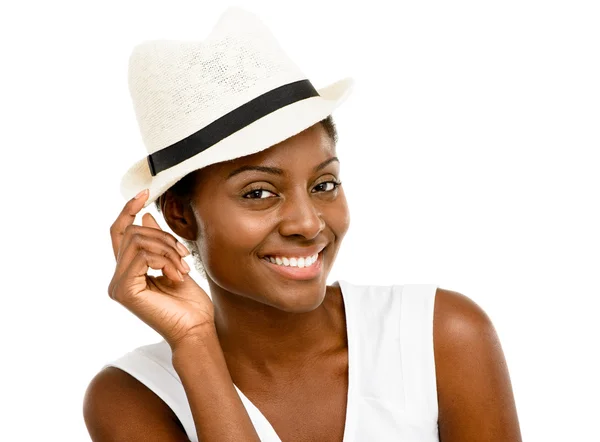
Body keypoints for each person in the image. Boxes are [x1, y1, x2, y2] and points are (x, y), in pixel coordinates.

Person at [83, 7, 522, 442]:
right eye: (259, 193)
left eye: (324, 184)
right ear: (180, 215)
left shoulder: (441, 337)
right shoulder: (132, 397)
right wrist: (195, 343)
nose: (308, 224)